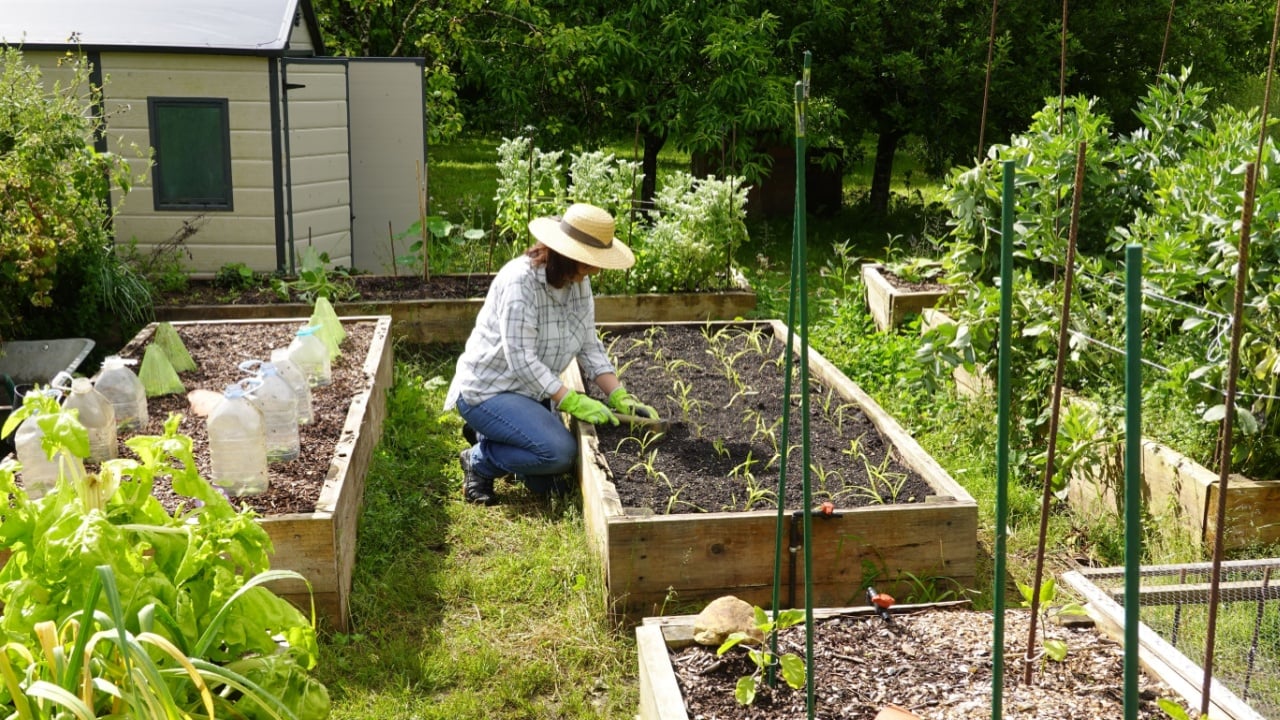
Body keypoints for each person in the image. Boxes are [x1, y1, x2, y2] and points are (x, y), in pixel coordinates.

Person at [443, 203, 660, 505]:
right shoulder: (520, 282)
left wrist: (619, 395)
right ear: (564, 254)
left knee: (544, 480)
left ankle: (493, 435)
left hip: (530, 394)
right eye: (588, 263)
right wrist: (568, 398)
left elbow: (588, 343)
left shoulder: (578, 283)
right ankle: (478, 459)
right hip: (489, 391)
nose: (593, 271)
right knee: (559, 453)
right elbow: (520, 359)